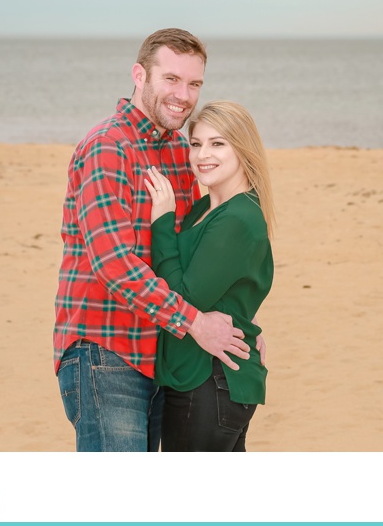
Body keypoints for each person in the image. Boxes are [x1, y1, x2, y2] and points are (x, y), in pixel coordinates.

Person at [53, 28, 250, 452]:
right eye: (171, 79)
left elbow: (190, 259)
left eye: (194, 83)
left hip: (162, 354)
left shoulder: (181, 154)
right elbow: (114, 265)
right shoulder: (108, 147)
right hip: (106, 350)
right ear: (140, 75)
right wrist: (198, 324)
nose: (184, 94)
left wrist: (240, 325)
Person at [144, 100, 275, 451]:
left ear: (242, 148)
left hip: (210, 381)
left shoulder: (238, 218)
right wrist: (246, 320)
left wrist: (161, 221)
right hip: (201, 377)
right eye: (196, 143)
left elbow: (184, 297)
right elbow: (226, 285)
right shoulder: (205, 208)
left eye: (218, 143)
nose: (203, 154)